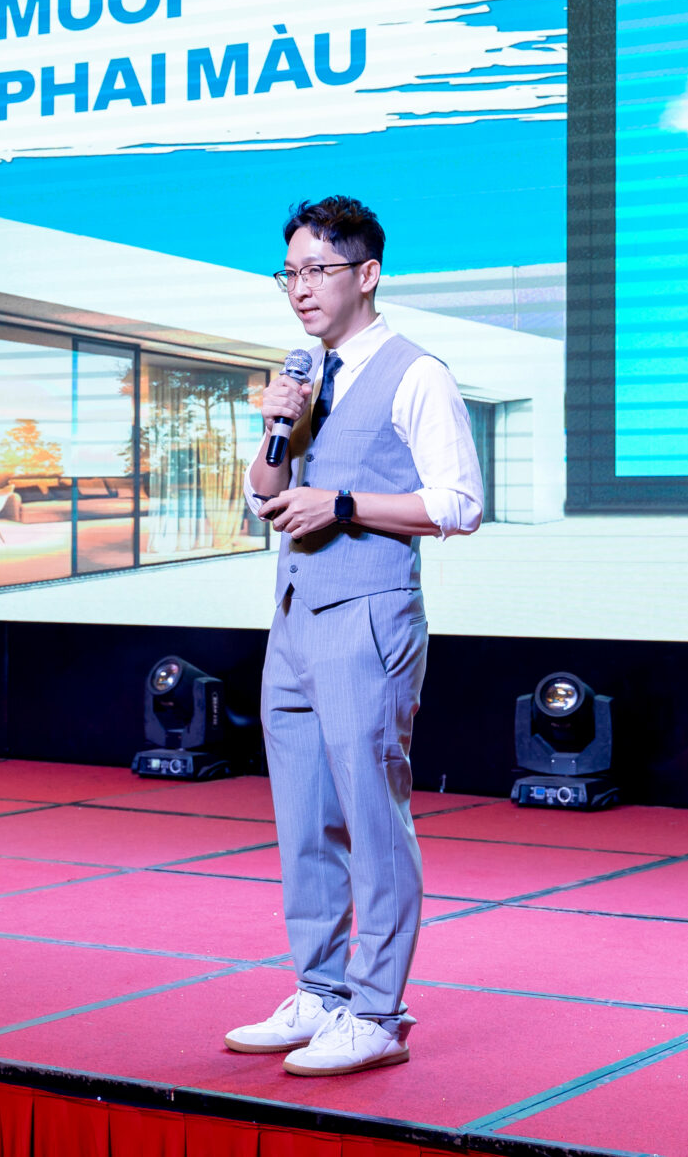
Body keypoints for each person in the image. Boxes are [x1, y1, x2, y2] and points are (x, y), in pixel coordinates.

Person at [223, 196, 482, 1078]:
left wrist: (344, 504)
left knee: (373, 818)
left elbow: (459, 504)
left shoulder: (417, 373)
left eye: (318, 270)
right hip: (294, 617)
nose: (300, 287)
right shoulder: (303, 379)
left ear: (367, 274)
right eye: (289, 272)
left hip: (369, 617)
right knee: (303, 820)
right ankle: (320, 990)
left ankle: (377, 1010)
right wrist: (277, 426)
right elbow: (263, 496)